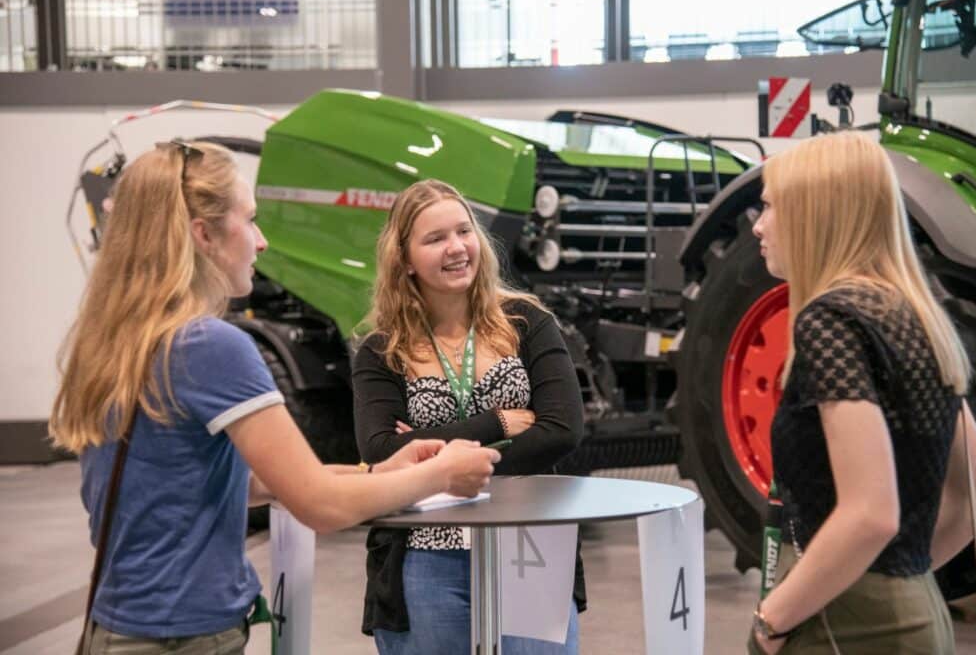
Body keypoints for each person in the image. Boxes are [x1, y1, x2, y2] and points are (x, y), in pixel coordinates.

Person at [49, 141, 500, 654]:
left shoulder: (116, 341)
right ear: (205, 236)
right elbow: (321, 506)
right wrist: (441, 474)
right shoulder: (210, 347)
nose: (261, 242)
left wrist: (379, 474)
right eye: (251, 220)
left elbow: (219, 485)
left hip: (118, 628)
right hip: (183, 637)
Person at [747, 131, 976, 654]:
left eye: (770, 206)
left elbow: (871, 512)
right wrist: (900, 583)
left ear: (814, 213)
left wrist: (771, 622)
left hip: (845, 626)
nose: (758, 225)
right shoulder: (917, 317)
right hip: (919, 615)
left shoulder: (830, 323)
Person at [352, 179, 586, 654]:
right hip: (425, 554)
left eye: (464, 231)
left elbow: (562, 430)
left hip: (529, 547)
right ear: (404, 258)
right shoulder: (381, 351)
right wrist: (497, 424)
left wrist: (425, 446)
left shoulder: (528, 323)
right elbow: (380, 453)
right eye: (435, 239)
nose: (456, 248)